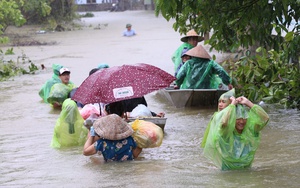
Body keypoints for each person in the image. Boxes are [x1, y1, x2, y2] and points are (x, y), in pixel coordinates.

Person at [203, 96, 270, 170]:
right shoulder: (226, 133)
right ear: (232, 119)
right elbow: (224, 122)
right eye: (238, 119)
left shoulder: (250, 131)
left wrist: (248, 103)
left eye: (244, 118)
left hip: (246, 172)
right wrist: (232, 105)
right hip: (227, 174)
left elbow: (265, 119)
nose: (241, 121)